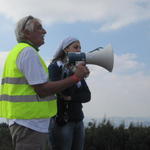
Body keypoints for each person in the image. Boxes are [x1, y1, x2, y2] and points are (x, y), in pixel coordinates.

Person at [0, 16, 89, 150]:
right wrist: (75, 78)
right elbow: (42, 89)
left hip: (27, 122)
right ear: (26, 32)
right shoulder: (27, 52)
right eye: (39, 28)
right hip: (29, 123)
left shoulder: (19, 52)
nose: (45, 31)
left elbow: (86, 95)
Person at [48, 37, 91, 150]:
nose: (79, 50)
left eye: (80, 48)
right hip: (62, 120)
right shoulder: (55, 67)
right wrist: (74, 76)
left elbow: (87, 96)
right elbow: (59, 91)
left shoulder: (76, 68)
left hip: (78, 119)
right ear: (66, 49)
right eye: (76, 47)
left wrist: (71, 98)